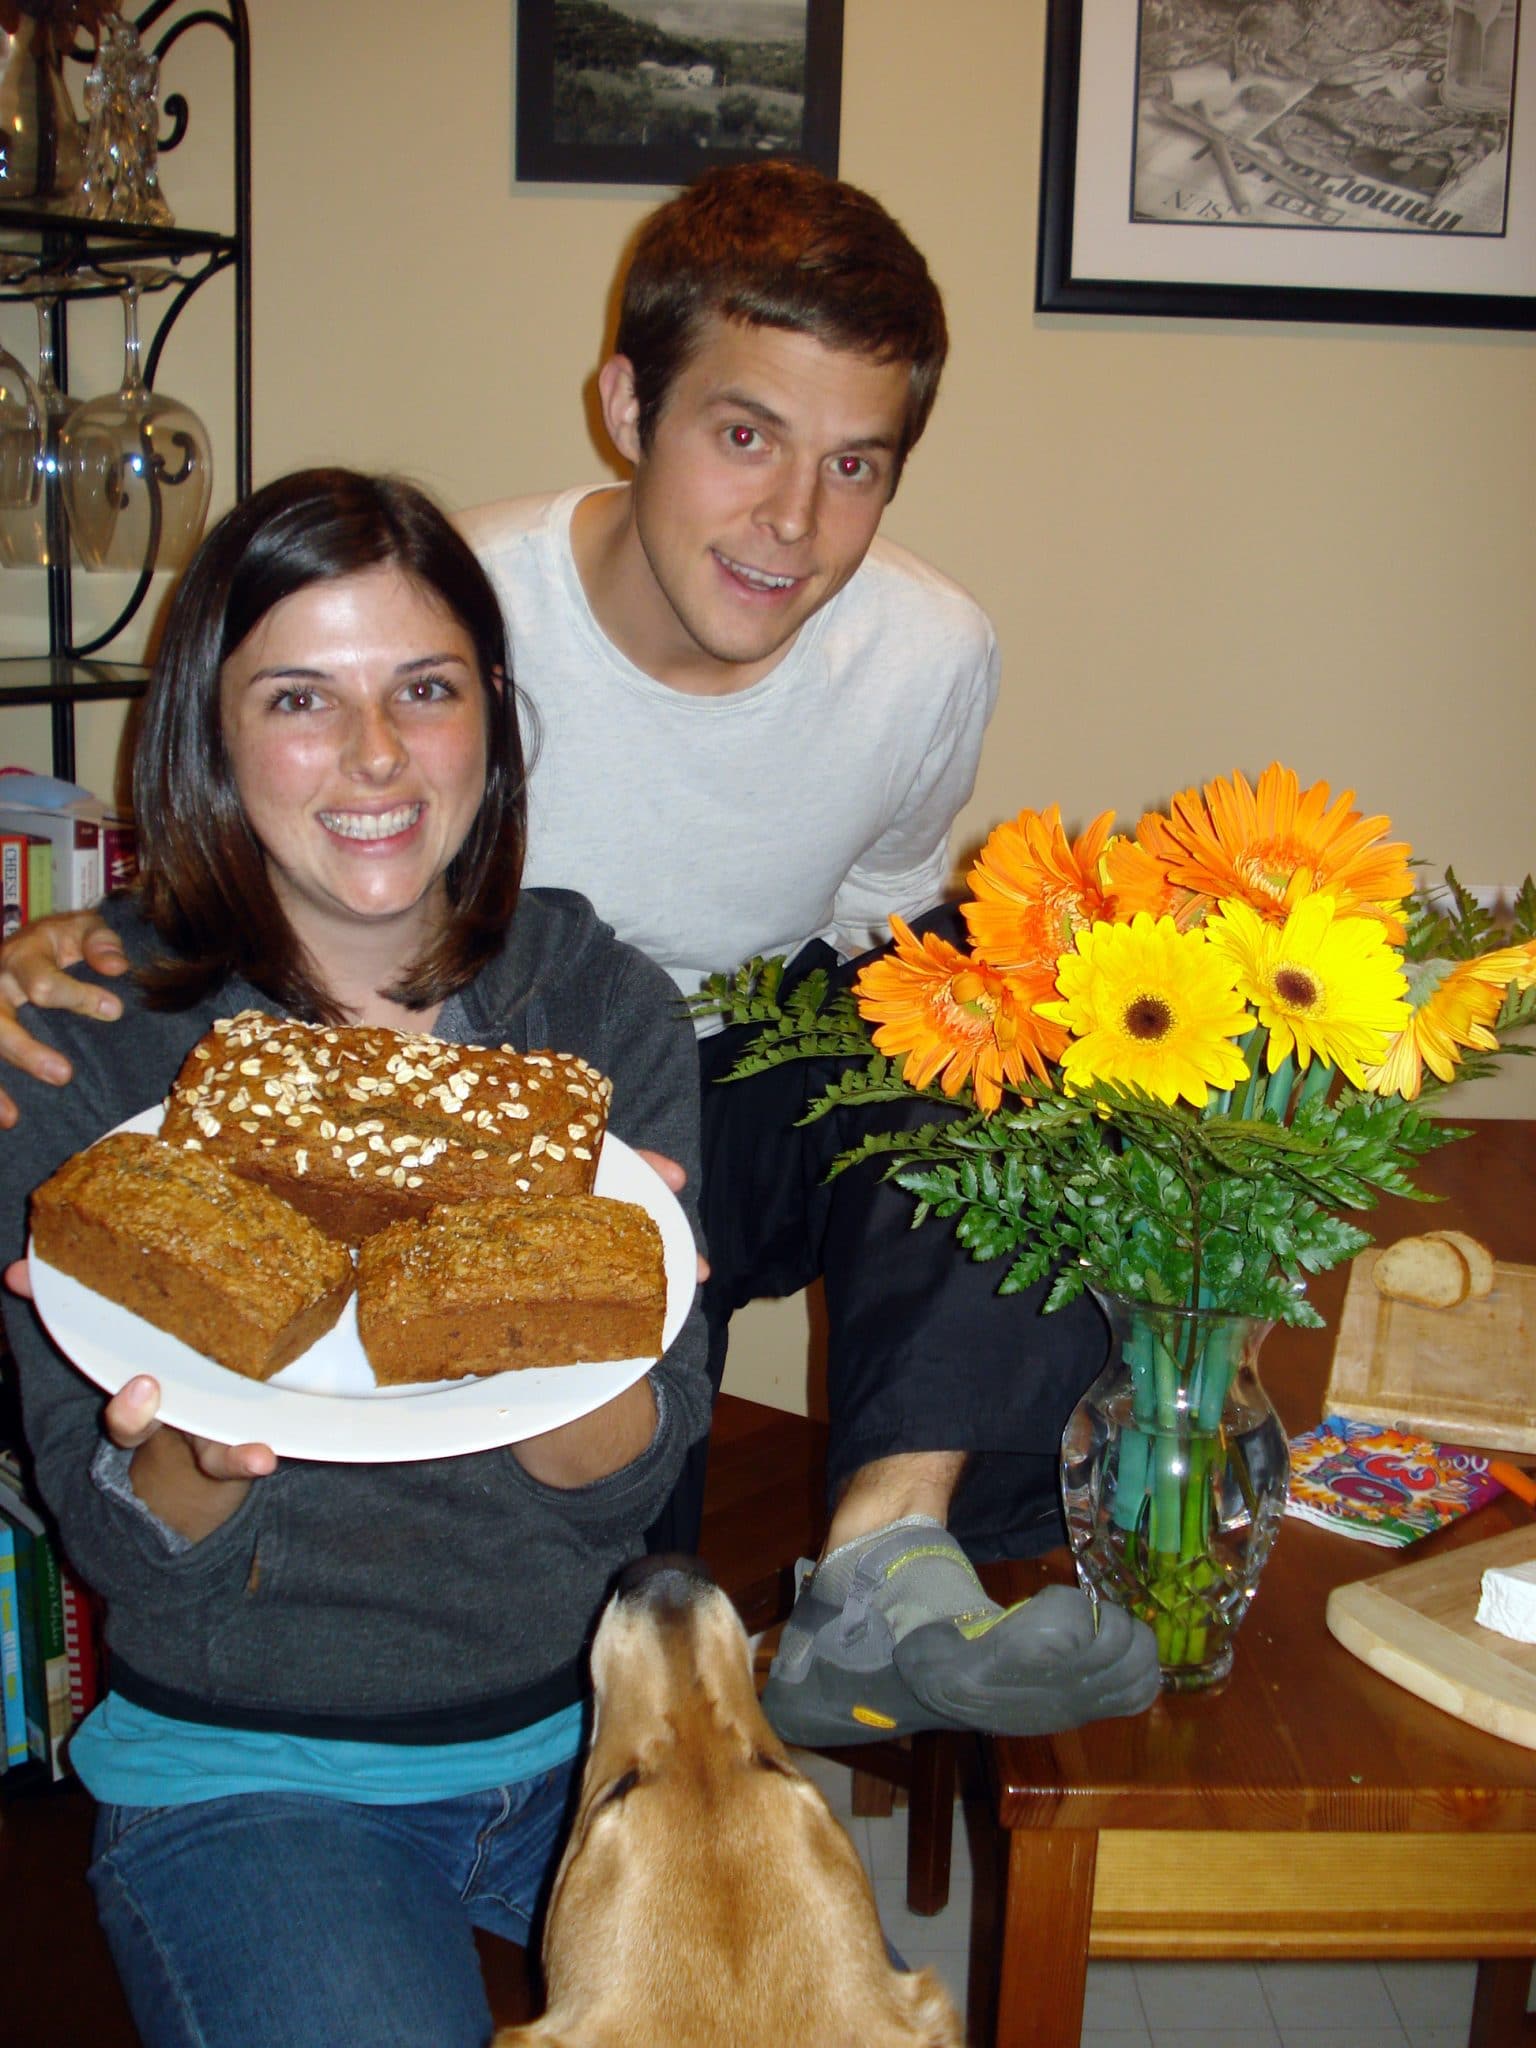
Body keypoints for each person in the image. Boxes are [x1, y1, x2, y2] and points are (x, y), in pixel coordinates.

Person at [0, 163, 1159, 1747]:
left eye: (855, 464)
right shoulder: (457, 621)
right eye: (743, 435)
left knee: (1003, 1025)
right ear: (627, 404)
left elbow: (877, 932)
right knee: (616, 1556)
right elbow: (281, 798)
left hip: (730, 1077)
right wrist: (72, 934)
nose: (792, 522)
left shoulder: (932, 654)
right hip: (501, 1082)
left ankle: (886, 1555)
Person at [0, 468, 711, 2048]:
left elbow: (637, 1477)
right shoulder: (89, 1048)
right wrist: (184, 1445)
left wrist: (593, 1329)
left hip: (593, 1739)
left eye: (427, 691)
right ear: (210, 732)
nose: (377, 756)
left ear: (493, 721)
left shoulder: (601, 1024)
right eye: (302, 699)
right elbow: (117, 1543)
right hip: (252, 1772)